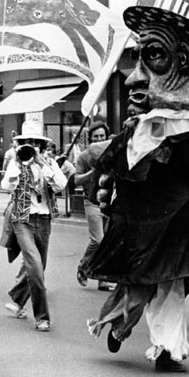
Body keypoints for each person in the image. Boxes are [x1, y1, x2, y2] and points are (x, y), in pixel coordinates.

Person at [79, 0, 189, 372]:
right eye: (139, 57)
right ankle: (118, 325)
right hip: (146, 222)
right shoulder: (144, 126)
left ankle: (167, 348)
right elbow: (121, 158)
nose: (135, 77)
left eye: (152, 55)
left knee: (169, 282)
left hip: (180, 221)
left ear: (182, 61)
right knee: (143, 282)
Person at [1, 121, 68, 333]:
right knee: (35, 268)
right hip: (22, 219)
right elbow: (6, 185)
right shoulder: (16, 161)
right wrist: (19, 165)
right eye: (26, 142)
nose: (31, 146)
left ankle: (17, 297)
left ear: (41, 144)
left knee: (39, 266)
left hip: (44, 220)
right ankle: (42, 317)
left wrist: (41, 163)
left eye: (34, 142)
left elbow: (61, 185)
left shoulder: (49, 163)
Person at [73, 121, 112, 291]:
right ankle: (83, 266)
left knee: (107, 241)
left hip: (109, 201)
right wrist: (93, 172)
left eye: (102, 136)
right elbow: (76, 180)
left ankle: (102, 279)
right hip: (91, 201)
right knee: (98, 239)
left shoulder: (112, 153)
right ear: (90, 139)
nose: (99, 139)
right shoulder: (84, 156)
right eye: (96, 136)